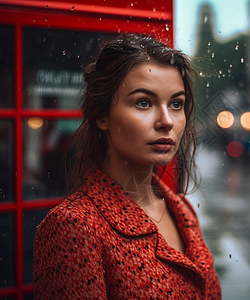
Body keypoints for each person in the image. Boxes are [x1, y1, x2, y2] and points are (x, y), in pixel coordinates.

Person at [33, 33, 221, 299]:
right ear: (102, 116)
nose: (166, 121)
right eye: (144, 102)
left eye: (176, 104)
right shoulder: (75, 227)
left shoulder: (182, 210)